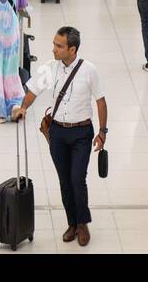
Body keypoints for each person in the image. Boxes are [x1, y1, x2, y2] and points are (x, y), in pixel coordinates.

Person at [12, 27, 108, 247]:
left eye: (59, 46)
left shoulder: (89, 70)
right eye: (54, 44)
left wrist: (102, 132)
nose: (53, 49)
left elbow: (101, 101)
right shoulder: (49, 68)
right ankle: (72, 223)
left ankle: (83, 223)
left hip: (82, 133)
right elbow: (33, 91)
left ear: (72, 49)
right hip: (57, 132)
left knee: (77, 179)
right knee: (65, 181)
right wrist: (24, 107)